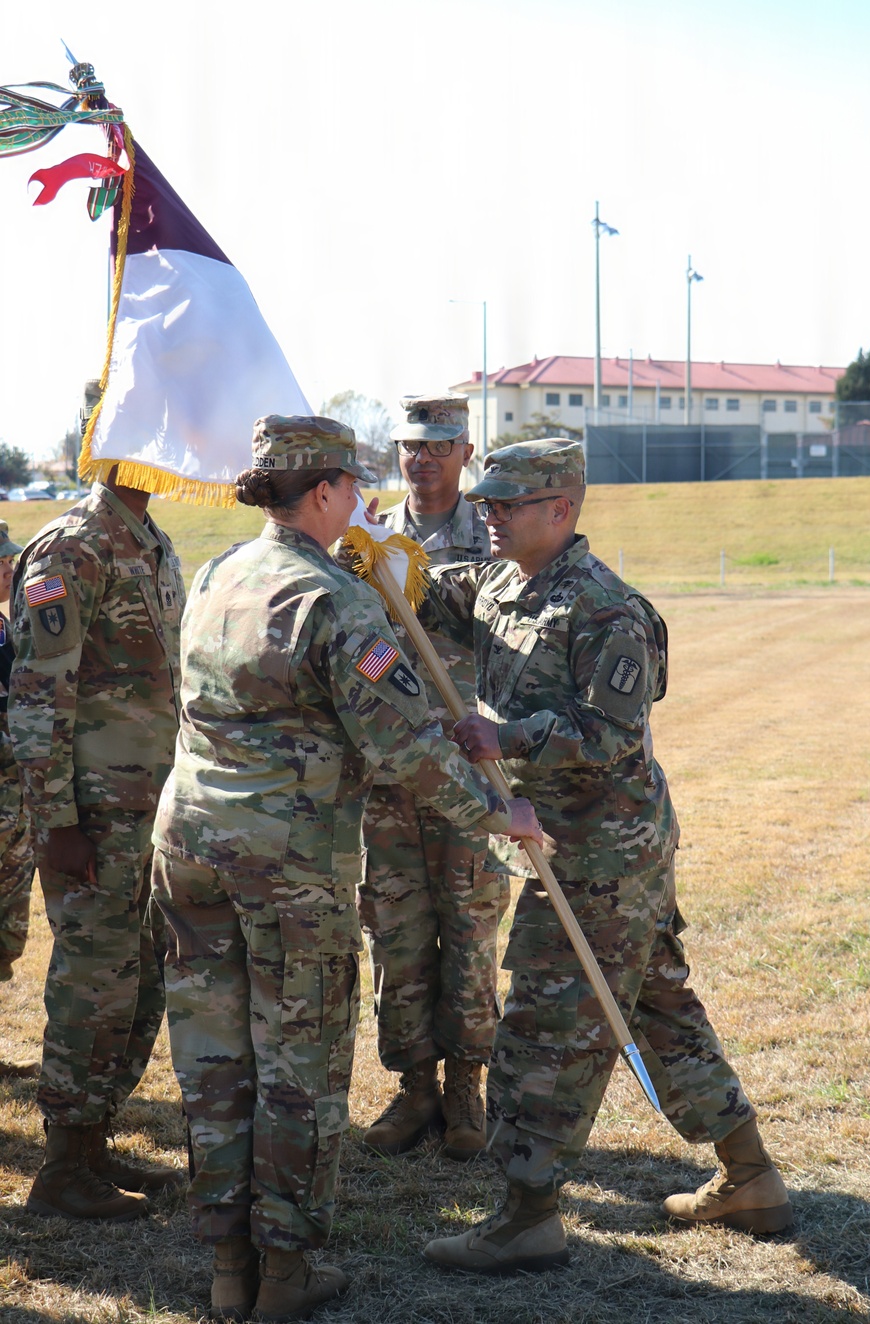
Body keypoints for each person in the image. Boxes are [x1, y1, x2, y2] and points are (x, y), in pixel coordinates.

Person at [149, 415, 541, 1323]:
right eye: (352, 486)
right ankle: (284, 1273)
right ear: (322, 492)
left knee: (213, 1061)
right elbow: (406, 747)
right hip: (286, 865)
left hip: (191, 848)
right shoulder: (333, 599)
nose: (362, 502)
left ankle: (228, 1268)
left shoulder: (217, 573)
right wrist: (500, 813)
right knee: (299, 1065)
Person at [418, 439, 792, 1275]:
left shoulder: (607, 610)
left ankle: (526, 1216)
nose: (490, 515)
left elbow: (611, 734)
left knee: (548, 1029)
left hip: (605, 857)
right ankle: (751, 1177)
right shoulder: (498, 582)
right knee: (660, 1008)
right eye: (486, 503)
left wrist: (507, 737)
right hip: (562, 842)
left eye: (507, 504)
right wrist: (377, 552)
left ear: (562, 508)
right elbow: (421, 594)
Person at [8, 450, 186, 1222]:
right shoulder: (69, 548)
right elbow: (37, 695)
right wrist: (57, 825)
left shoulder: (153, 542)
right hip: (92, 820)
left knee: (137, 983)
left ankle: (91, 1143)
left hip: (148, 812)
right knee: (93, 985)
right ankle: (62, 1168)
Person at [360, 393, 510, 1161]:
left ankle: (465, 1088)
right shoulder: (368, 537)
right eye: (410, 446)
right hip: (390, 769)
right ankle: (415, 1084)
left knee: (471, 926)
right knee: (396, 928)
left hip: (467, 768)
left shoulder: (493, 535)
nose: (421, 459)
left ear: (464, 452)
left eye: (438, 446)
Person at [0, 519, 33, 982]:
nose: (9, 568)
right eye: (0, 561)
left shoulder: (4, 627)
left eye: (10, 559)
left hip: (13, 811)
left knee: (7, 934)